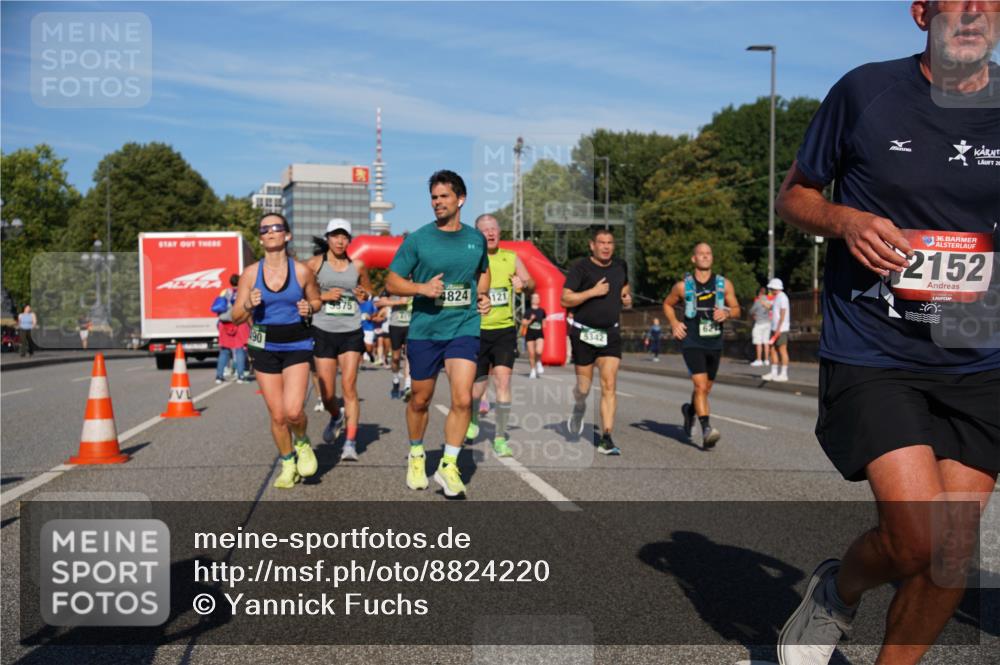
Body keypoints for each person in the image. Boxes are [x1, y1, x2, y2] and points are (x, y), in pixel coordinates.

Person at [774, 4, 999, 664]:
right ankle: (837, 592)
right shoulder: (866, 92)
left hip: (978, 351)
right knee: (915, 538)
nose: (973, 11)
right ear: (922, 13)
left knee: (951, 550)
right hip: (877, 347)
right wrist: (845, 221)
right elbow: (794, 195)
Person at [387, 170, 490, 497]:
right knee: (420, 399)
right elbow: (392, 281)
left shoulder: (476, 239)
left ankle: (448, 464)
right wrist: (421, 288)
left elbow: (483, 272)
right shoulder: (418, 239)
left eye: (444, 196)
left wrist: (483, 295)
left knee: (463, 398)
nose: (437, 202)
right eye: (433, 197)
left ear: (461, 199)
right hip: (426, 330)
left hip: (464, 326)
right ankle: (417, 454)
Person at [231, 213, 322, 490]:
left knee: (294, 411)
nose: (270, 232)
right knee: (278, 415)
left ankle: (302, 441)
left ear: (287, 235)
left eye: (276, 227)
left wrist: (309, 307)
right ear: (261, 238)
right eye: (264, 229)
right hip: (264, 345)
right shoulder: (250, 274)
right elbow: (235, 316)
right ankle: (287, 462)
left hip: (297, 344)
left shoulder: (302, 271)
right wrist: (248, 304)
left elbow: (317, 300)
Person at [467, 214, 534, 458]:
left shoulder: (511, 257)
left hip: (504, 331)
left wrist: (523, 285)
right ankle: (473, 417)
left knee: (503, 383)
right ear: (477, 235)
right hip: (477, 329)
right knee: (477, 388)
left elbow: (531, 283)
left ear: (499, 232)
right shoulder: (471, 259)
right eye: (485, 229)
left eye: (494, 228)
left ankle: (500, 437)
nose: (490, 232)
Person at [305, 219, 372, 462]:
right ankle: (336, 416)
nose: (340, 241)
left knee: (349, 387)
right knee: (327, 394)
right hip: (323, 329)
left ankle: (350, 443)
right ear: (328, 238)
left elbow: (368, 293)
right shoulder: (315, 264)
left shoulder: (358, 265)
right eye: (335, 236)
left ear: (349, 240)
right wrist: (323, 296)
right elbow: (301, 291)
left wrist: (364, 294)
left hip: (351, 330)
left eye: (344, 236)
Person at [662, 242, 741, 448]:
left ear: (712, 258)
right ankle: (706, 429)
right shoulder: (682, 286)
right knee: (700, 385)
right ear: (693, 258)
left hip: (714, 342)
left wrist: (726, 313)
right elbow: (667, 304)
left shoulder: (724, 284)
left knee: (705, 389)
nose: (705, 256)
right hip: (692, 341)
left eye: (708, 253)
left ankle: (689, 411)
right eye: (701, 253)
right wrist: (674, 323)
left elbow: (737, 309)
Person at [561, 227, 632, 455]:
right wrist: (592, 292)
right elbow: (565, 299)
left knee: (609, 384)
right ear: (592, 245)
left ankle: (606, 438)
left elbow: (624, 286)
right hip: (584, 334)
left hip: (610, 334)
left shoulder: (620, 266)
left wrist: (626, 298)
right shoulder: (580, 268)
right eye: (601, 242)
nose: (606, 247)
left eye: (610, 243)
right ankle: (579, 408)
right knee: (583, 388)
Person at [375, 290, 412, 400]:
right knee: (395, 357)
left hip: (411, 325)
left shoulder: (415, 284)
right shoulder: (392, 287)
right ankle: (395, 380)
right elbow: (379, 303)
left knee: (409, 355)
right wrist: (399, 302)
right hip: (395, 326)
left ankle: (407, 385)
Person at [215, 274, 249, 384]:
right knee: (240, 349)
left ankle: (219, 376)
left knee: (224, 350)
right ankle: (240, 376)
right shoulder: (244, 292)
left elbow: (219, 307)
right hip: (240, 323)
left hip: (225, 323)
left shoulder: (225, 292)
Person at [761, 278, 791, 382]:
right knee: (772, 349)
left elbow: (783, 314)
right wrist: (765, 304)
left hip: (781, 329)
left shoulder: (783, 297)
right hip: (775, 328)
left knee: (782, 350)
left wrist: (778, 329)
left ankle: (784, 374)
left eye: (771, 288)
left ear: (775, 288)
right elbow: (773, 308)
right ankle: (774, 372)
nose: (770, 290)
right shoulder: (777, 297)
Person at [524, 292, 547, 378]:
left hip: (539, 333)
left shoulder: (542, 311)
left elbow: (544, 322)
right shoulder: (528, 311)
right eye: (534, 298)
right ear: (531, 300)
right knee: (531, 353)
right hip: (530, 334)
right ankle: (533, 370)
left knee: (539, 351)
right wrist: (530, 319)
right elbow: (524, 323)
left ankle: (538, 362)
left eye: (538, 298)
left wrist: (543, 324)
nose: (536, 299)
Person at [749, 287, 772, 367]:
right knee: (766, 342)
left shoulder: (758, 301)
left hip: (759, 323)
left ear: (759, 293)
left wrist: (754, 314)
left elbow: (751, 311)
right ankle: (766, 360)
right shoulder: (768, 301)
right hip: (768, 323)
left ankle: (759, 360)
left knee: (758, 342)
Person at [360, 296, 377, 364]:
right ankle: (361, 362)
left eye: (362, 292)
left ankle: (370, 354)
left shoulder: (370, 303)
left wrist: (371, 316)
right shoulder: (355, 302)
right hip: (358, 327)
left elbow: (375, 312)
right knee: (358, 345)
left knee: (368, 348)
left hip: (368, 328)